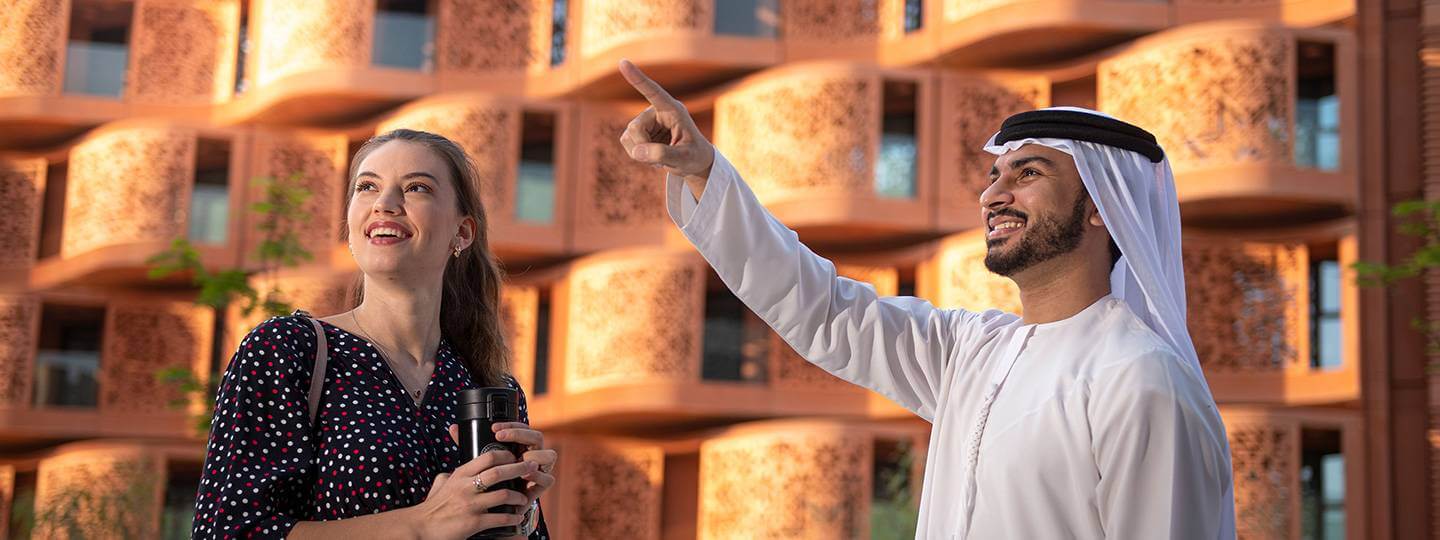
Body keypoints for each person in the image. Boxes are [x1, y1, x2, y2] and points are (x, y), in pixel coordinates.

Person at [617, 60, 1236, 539]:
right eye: (995, 175)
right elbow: (824, 309)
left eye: (1029, 174)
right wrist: (703, 172)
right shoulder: (972, 352)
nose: (995, 195)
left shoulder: (1142, 380)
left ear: (1102, 209)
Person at [193, 129, 555, 539]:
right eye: (367, 187)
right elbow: (227, 532)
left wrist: (521, 519)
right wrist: (423, 525)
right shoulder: (287, 350)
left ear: (463, 232)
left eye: (416, 187)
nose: (385, 203)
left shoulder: (490, 387)